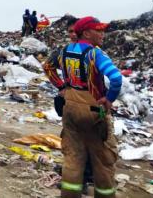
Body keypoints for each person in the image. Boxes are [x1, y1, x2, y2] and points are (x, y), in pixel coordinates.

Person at [44, 16, 123, 198]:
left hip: (70, 107)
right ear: (86, 33)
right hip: (92, 109)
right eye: (99, 30)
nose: (103, 34)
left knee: (73, 158)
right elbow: (116, 78)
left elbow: (48, 66)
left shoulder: (65, 50)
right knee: (103, 160)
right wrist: (109, 98)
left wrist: (62, 87)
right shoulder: (94, 53)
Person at [44, 17, 93, 192]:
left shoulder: (91, 52)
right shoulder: (65, 51)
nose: (73, 35)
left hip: (87, 103)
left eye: (76, 31)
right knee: (72, 139)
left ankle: (83, 180)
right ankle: (75, 172)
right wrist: (61, 86)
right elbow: (48, 66)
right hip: (71, 101)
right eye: (70, 31)